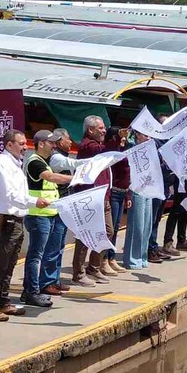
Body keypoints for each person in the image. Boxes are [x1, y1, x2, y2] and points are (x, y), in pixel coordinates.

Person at [0, 129, 50, 322]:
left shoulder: (14, 164)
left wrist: (31, 202)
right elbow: (10, 195)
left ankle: (4, 302)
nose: (25, 147)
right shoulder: (2, 165)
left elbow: (16, 194)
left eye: (25, 143)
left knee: (10, 264)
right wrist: (34, 202)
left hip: (15, 221)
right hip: (4, 221)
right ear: (9, 145)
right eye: (21, 144)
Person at [22, 130, 73, 304]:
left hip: (48, 214)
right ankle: (31, 292)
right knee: (36, 256)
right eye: (51, 143)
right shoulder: (35, 162)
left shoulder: (44, 161)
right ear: (41, 144)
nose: (54, 146)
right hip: (38, 216)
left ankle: (33, 289)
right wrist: (74, 178)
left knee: (42, 253)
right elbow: (50, 177)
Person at [71, 116, 121, 285]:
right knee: (85, 235)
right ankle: (78, 273)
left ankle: (94, 266)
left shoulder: (99, 146)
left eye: (104, 128)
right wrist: (116, 139)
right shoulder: (87, 146)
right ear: (90, 130)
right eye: (100, 128)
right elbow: (103, 152)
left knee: (108, 231)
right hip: (89, 197)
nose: (104, 131)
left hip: (104, 195)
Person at [42, 128, 86, 289]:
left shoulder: (61, 156)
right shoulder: (57, 159)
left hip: (64, 204)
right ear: (61, 141)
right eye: (68, 139)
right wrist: (94, 162)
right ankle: (48, 282)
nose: (71, 142)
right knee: (53, 245)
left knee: (60, 244)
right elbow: (72, 164)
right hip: (57, 205)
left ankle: (55, 279)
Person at [163, 106, 187, 254]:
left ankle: (181, 240)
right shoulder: (180, 133)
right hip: (180, 175)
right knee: (177, 208)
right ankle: (168, 241)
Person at [123, 129, 154, 270]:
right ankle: (131, 259)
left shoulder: (151, 148)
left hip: (148, 188)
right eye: (145, 135)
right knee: (137, 226)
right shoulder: (131, 148)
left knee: (147, 225)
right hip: (136, 189)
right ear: (137, 135)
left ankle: (142, 256)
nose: (148, 137)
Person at [148, 113, 175, 263]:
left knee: (158, 218)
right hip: (156, 184)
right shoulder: (155, 142)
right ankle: (149, 249)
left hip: (165, 183)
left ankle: (153, 246)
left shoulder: (169, 141)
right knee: (152, 218)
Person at [105, 126, 130, 275]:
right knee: (110, 228)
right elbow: (111, 154)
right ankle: (104, 259)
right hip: (113, 192)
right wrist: (116, 141)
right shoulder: (111, 153)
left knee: (117, 226)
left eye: (124, 138)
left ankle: (111, 258)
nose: (123, 140)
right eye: (119, 137)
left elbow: (129, 174)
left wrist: (128, 196)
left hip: (123, 193)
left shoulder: (125, 151)